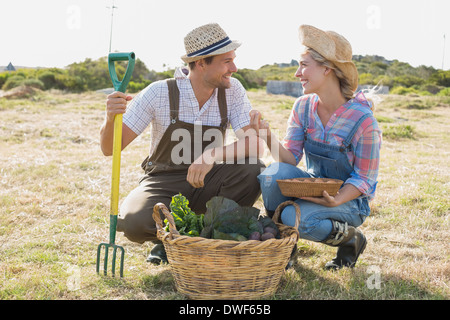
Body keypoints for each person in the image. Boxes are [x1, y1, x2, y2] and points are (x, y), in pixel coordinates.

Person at [100, 23, 265, 264]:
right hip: (164, 182)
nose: (234, 68)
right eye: (226, 61)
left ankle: (211, 238)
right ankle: (169, 241)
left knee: (253, 169)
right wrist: (110, 117)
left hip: (210, 179)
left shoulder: (232, 90)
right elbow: (108, 148)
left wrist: (210, 157)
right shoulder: (158, 93)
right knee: (134, 222)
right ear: (200, 63)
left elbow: (256, 146)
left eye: (233, 60)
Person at [250, 25, 382, 270]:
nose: (297, 73)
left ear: (326, 68)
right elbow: (288, 161)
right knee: (271, 175)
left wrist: (338, 199)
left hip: (350, 201)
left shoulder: (363, 121)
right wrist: (266, 135)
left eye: (303, 65)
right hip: (315, 187)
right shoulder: (303, 106)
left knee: (292, 217)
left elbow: (365, 177)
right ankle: (285, 248)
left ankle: (351, 239)